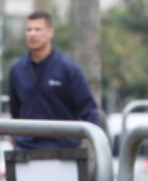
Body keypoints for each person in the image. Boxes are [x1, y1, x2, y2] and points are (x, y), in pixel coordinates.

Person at [8, 11, 103, 149]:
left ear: (50, 32)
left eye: (38, 29)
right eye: (28, 30)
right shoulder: (16, 70)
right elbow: (15, 110)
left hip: (63, 150)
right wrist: (16, 137)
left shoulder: (68, 69)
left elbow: (88, 109)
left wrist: (98, 145)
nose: (32, 34)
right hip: (26, 150)